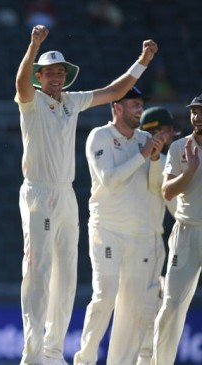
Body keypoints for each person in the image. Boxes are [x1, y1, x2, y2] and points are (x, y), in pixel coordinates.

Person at [14, 24, 158, 365]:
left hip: (65, 194)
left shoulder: (71, 101)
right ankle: (32, 355)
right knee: (39, 273)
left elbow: (114, 90)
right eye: (49, 73)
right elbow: (21, 83)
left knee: (66, 275)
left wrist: (143, 60)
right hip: (39, 192)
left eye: (60, 72)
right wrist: (34, 46)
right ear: (40, 75)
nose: (56, 78)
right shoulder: (31, 101)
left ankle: (51, 351)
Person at [73, 87, 167, 365]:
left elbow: (154, 185)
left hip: (137, 234)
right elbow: (110, 180)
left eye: (140, 104)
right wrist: (142, 155)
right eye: (134, 104)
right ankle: (85, 359)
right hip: (108, 229)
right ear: (117, 107)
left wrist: (153, 159)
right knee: (105, 295)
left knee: (132, 307)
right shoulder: (100, 136)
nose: (139, 109)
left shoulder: (145, 139)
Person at [152, 93, 202, 364]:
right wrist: (190, 171)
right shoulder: (179, 148)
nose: (197, 116)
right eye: (195, 111)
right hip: (186, 231)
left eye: (201, 111)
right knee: (171, 306)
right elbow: (167, 192)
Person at [136, 106, 178, 365]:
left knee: (147, 308)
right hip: (140, 242)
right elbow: (175, 206)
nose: (171, 137)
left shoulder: (158, 160)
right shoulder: (157, 162)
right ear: (154, 131)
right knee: (143, 310)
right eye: (167, 131)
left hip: (145, 241)